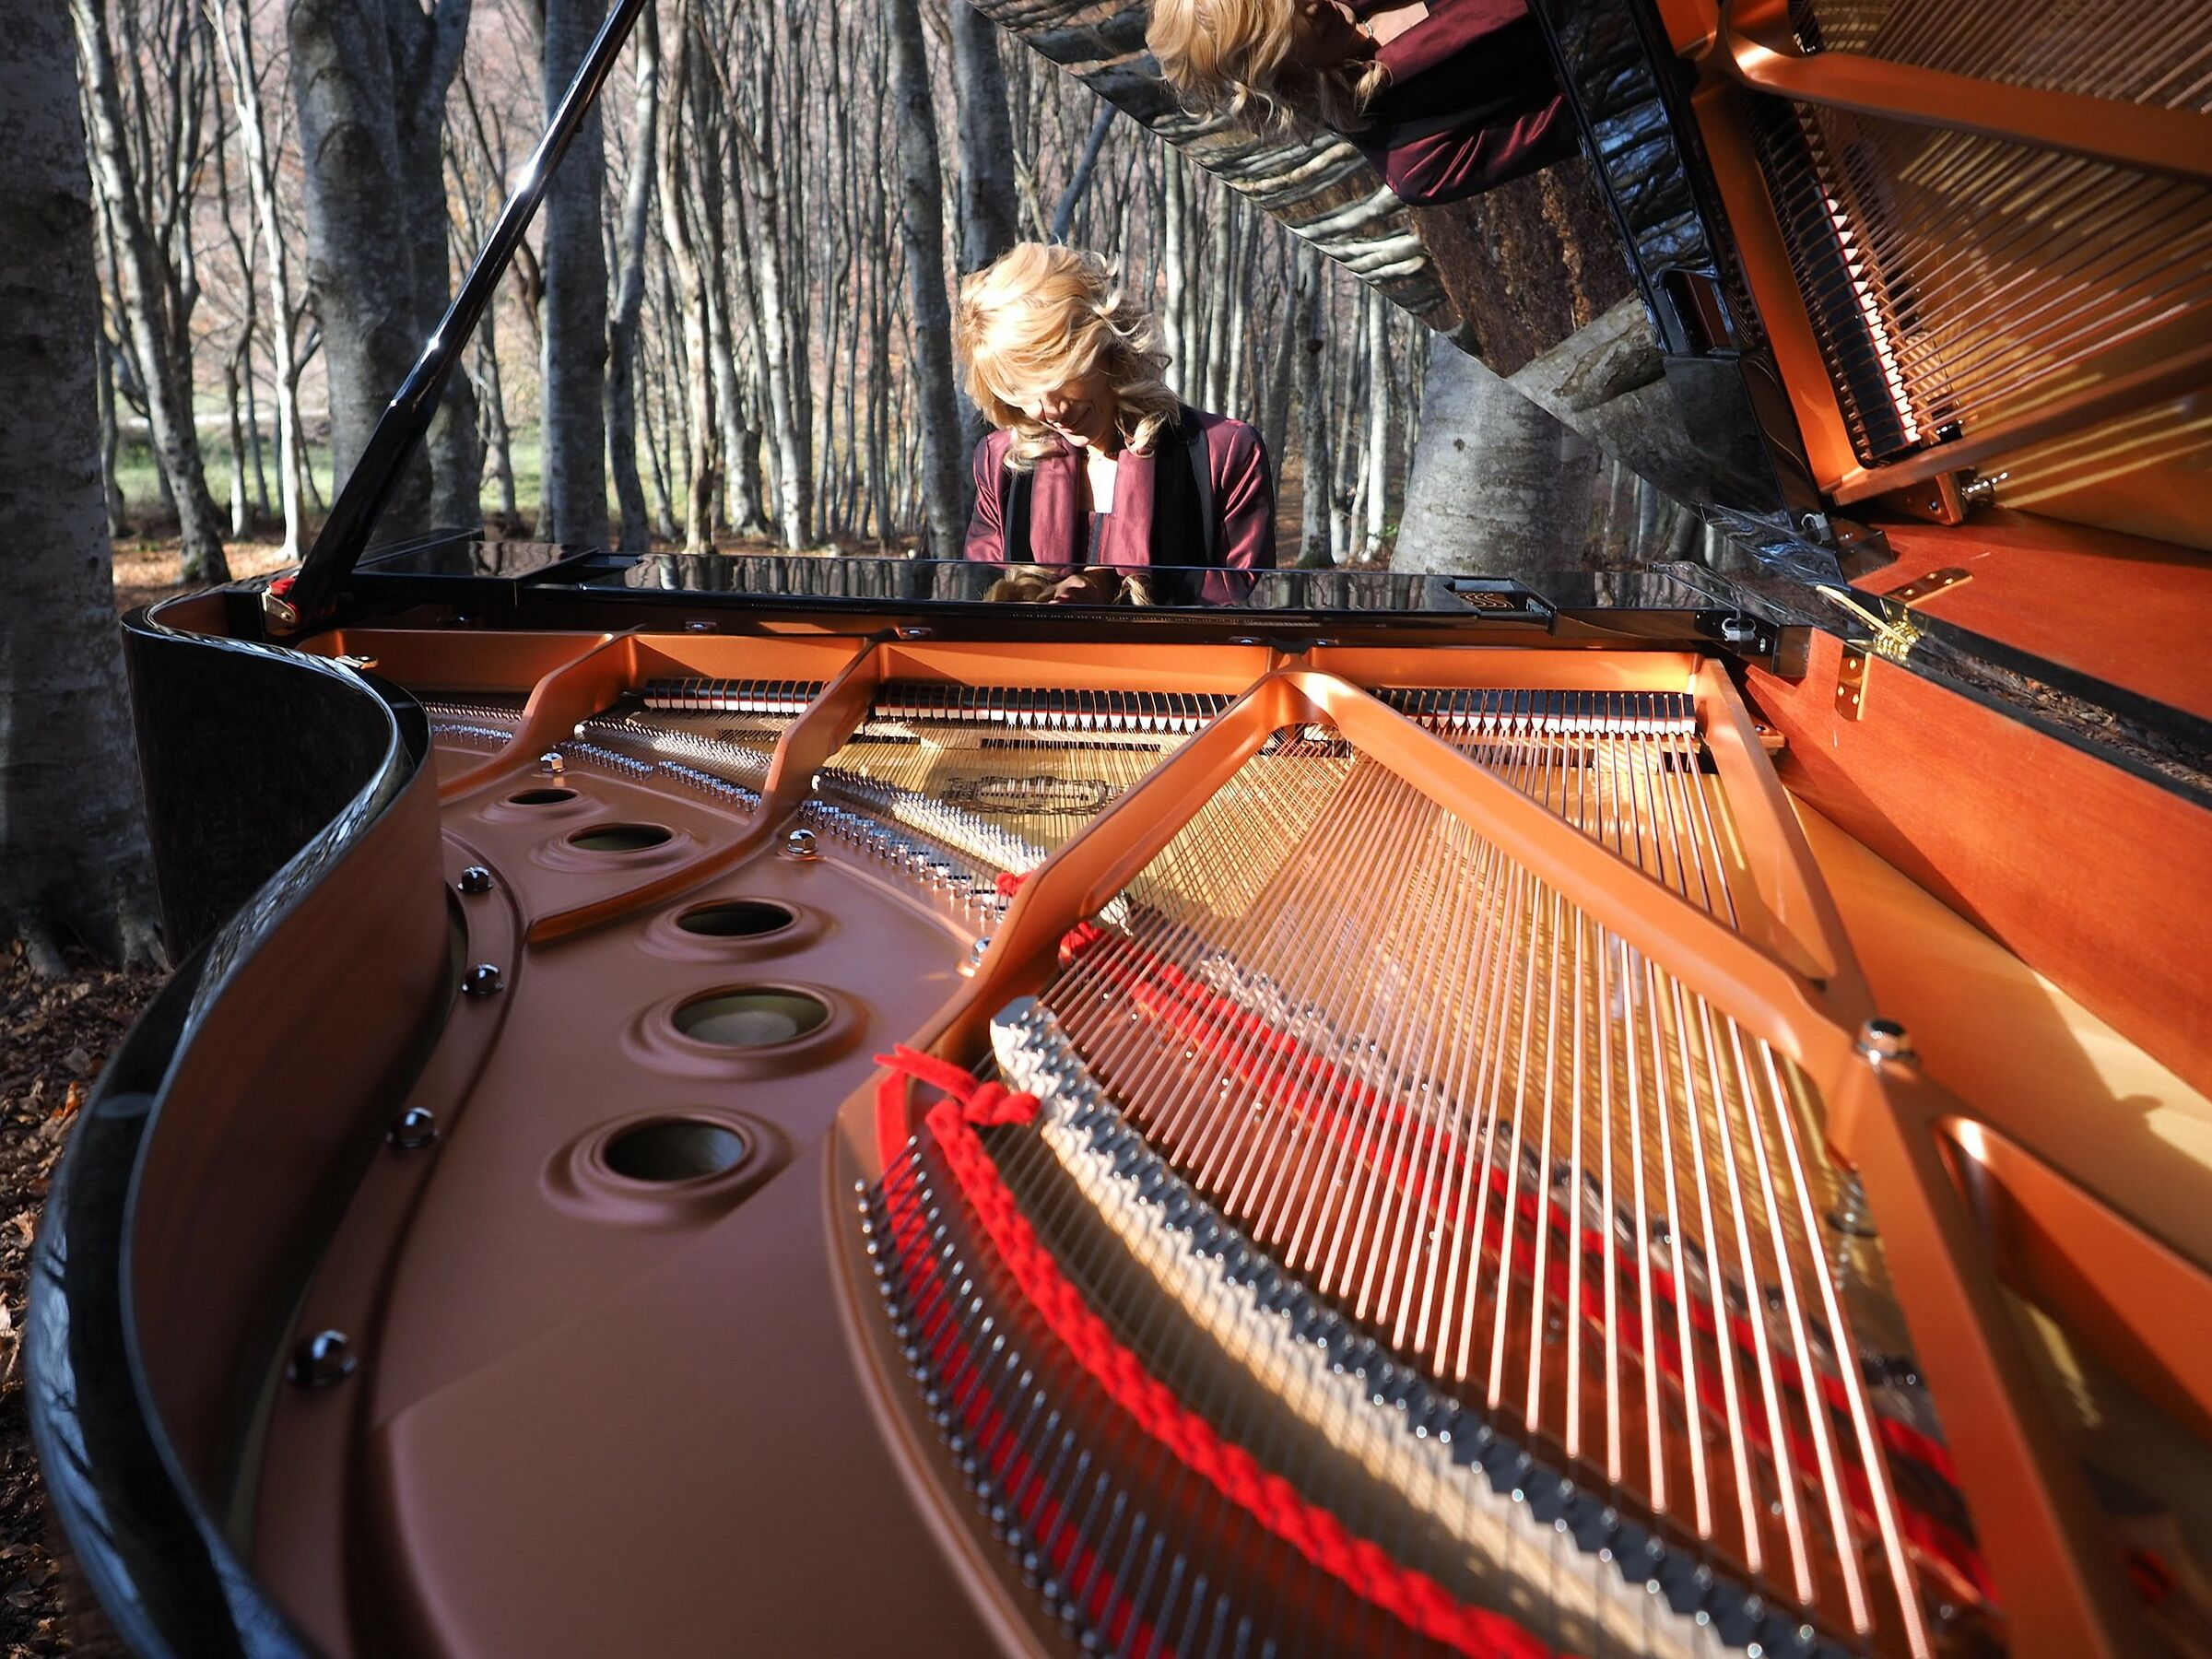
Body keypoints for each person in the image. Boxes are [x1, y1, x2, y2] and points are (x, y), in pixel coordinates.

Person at [956, 242, 1275, 606]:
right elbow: (982, 614)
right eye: (1021, 392)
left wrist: (1107, 587)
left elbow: (1236, 615)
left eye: (1057, 378)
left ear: (1103, 342)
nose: (1048, 410)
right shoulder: (1000, 465)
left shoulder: (1225, 455)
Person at [1146, 0, 1577, 207]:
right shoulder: (1417, 156)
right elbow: (1591, 107)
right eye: (1287, 21)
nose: (1313, 5)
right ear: (1278, 80)